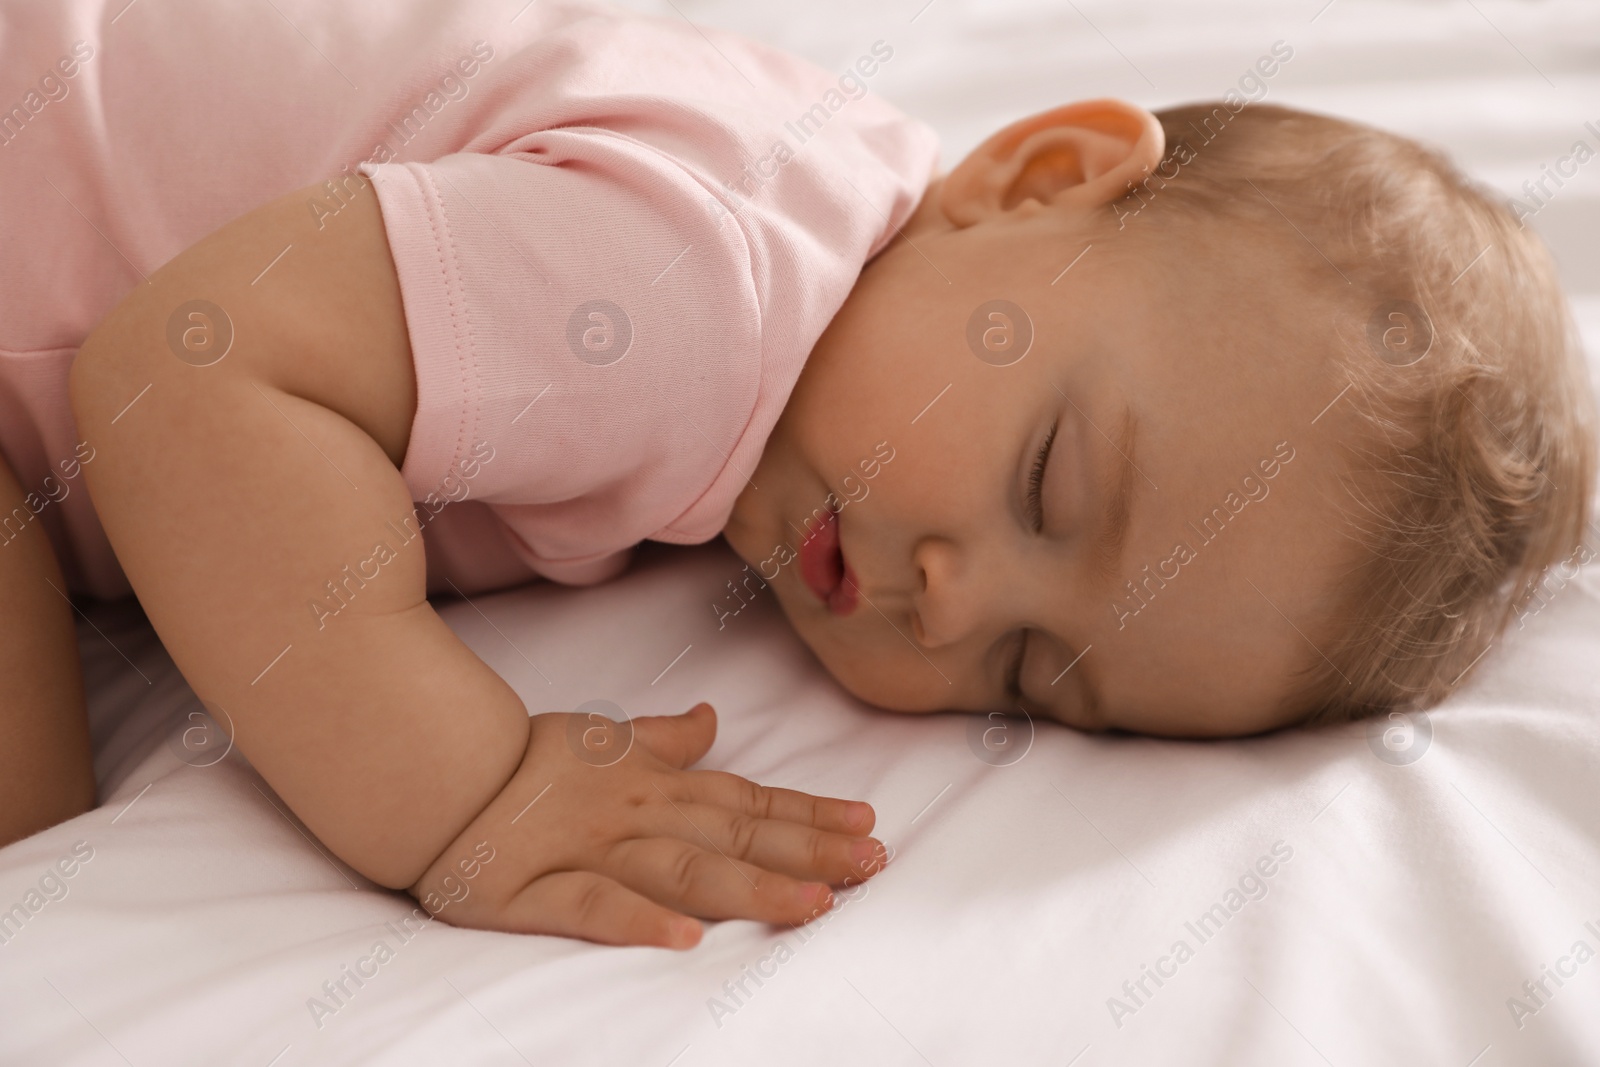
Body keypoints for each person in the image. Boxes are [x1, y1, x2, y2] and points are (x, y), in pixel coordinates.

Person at [4, 0, 1592, 952]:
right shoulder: (696, 291)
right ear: (1038, 178)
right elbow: (181, 377)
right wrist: (464, 793)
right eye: (1049, 483)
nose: (954, 598)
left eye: (1036, 671)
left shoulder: (840, 232)